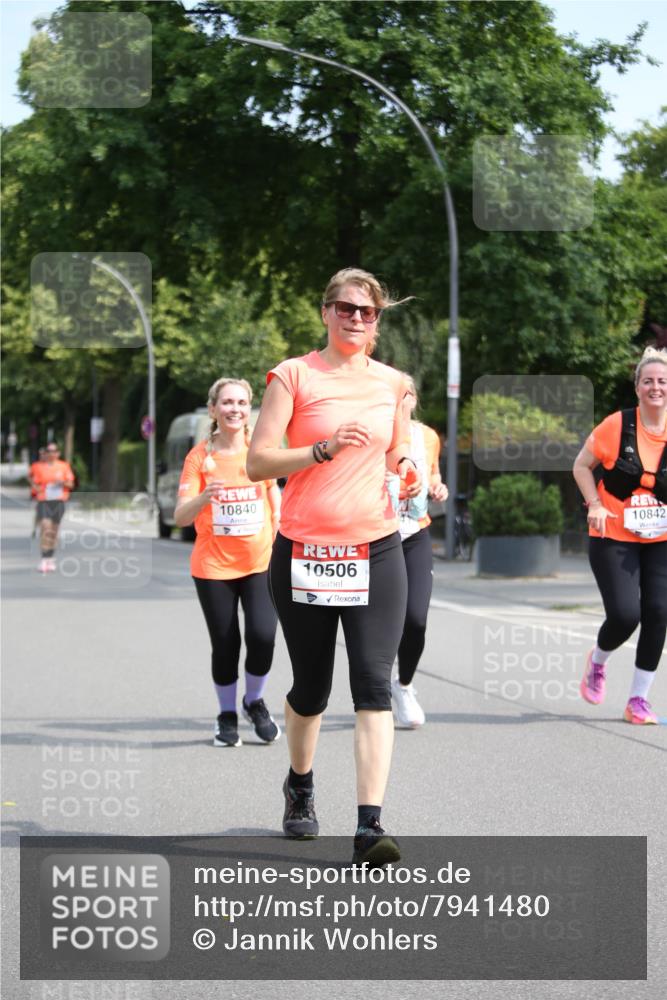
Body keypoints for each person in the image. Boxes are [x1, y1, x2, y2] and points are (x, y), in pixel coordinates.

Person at [247, 267, 422, 866]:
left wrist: (406, 467)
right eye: (346, 308)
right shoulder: (292, 376)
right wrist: (319, 450)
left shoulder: (393, 383)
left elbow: (399, 445)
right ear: (325, 312)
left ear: (377, 321)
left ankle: (370, 825)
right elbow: (257, 461)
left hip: (375, 549)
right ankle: (300, 785)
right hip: (304, 552)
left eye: (367, 312)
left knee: (374, 683)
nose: (356, 319)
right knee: (313, 688)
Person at [175, 377, 282, 748]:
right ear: (213, 409)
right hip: (213, 568)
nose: (234, 409)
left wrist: (282, 526)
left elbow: (274, 495)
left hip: (260, 562)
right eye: (227, 402)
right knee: (226, 644)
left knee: (263, 636)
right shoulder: (198, 458)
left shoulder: (259, 451)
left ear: (248, 408)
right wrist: (205, 496)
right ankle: (226, 715)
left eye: (241, 402)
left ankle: (254, 701)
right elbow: (180, 516)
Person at [573, 346, 667, 725]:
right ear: (637, 387)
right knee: (626, 615)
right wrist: (594, 503)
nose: (656, 387)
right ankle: (598, 660)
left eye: (662, 381)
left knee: (659, 612)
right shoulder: (617, 425)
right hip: (613, 534)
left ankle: (638, 700)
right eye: (649, 381)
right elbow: (581, 465)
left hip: (660, 538)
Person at [386, 375, 448, 728]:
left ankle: (403, 685)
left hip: (415, 532)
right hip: (377, 536)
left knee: (416, 619)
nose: (399, 400)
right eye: (393, 394)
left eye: (405, 394)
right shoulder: (375, 435)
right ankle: (375, 688)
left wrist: (438, 487)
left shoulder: (427, 437)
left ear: (413, 400)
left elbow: (434, 476)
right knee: (381, 621)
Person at [29, 443, 75, 573]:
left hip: (59, 502)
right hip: (44, 501)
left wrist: (62, 482)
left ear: (58, 453)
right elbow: (31, 479)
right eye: (49, 451)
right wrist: (35, 487)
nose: (51, 453)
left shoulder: (64, 466)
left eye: (54, 451)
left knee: (54, 531)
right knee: (45, 527)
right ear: (46, 453)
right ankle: (44, 558)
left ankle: (50, 558)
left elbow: (71, 484)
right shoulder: (38, 467)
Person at [29, 447, 46, 538]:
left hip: (48, 493)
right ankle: (35, 529)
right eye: (41, 454)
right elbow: (30, 477)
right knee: (39, 512)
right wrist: (34, 486)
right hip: (37, 493)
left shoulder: (49, 466)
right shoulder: (35, 465)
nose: (42, 456)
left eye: (44, 454)